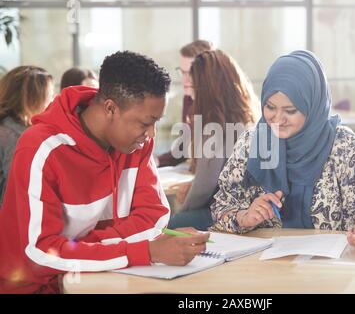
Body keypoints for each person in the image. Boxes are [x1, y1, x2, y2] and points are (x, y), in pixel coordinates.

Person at [0, 51, 209, 294]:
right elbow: (40, 253)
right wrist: (145, 250)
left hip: (109, 275)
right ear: (110, 108)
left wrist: (78, 248)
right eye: (144, 123)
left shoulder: (137, 144)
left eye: (155, 123)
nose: (151, 134)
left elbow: (154, 216)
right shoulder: (40, 148)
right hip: (35, 287)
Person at [209, 50, 355, 247]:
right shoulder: (252, 143)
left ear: (313, 106)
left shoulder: (344, 146)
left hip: (331, 269)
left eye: (290, 110)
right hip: (264, 268)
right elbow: (220, 209)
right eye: (270, 107)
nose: (278, 119)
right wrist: (244, 217)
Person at [168, 49, 258, 230]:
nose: (186, 83)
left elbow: (204, 187)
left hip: (226, 212)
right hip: (250, 209)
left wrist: (182, 212)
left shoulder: (212, 125)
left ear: (205, 86)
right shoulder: (246, 117)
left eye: (192, 80)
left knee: (171, 225)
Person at [0, 65, 54, 204]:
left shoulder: (6, 126)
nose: (53, 101)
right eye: (49, 95)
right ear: (32, 98)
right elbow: (17, 193)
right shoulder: (18, 138)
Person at [156, 40, 214, 167]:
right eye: (182, 72)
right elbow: (183, 146)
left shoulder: (220, 104)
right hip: (195, 172)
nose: (185, 79)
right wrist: (158, 161)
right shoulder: (188, 99)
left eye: (191, 73)